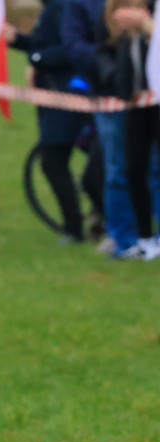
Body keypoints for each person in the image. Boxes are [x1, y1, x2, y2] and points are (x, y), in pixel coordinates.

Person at [62, 0, 160, 259]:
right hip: (121, 99)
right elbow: (92, 45)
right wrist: (112, 75)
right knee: (124, 171)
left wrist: (147, 26)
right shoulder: (108, 8)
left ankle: (148, 237)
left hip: (150, 100)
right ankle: (128, 238)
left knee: (153, 170)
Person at [4, 0, 99, 244]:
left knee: (56, 162)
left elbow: (68, 50)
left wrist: (36, 58)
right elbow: (46, 43)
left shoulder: (63, 6)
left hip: (68, 95)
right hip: (57, 96)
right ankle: (87, 222)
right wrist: (19, 40)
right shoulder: (53, 6)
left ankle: (76, 228)